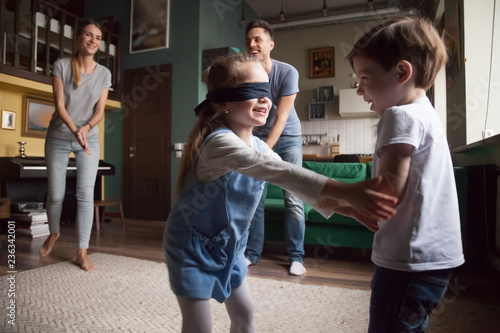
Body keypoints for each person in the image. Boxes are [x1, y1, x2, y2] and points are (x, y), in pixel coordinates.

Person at [163, 54, 398, 333]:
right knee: (199, 324)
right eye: (254, 92)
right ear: (223, 102)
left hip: (230, 247)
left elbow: (290, 179)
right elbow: (279, 173)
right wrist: (347, 190)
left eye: (267, 93)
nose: (266, 100)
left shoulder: (260, 146)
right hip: (192, 247)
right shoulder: (218, 144)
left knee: (244, 315)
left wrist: (347, 207)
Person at [345, 16, 464, 332]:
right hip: (436, 258)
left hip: (407, 260)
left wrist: (345, 199)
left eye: (365, 77)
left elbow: (387, 190)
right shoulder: (427, 113)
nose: (359, 89)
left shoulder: (399, 115)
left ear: (401, 72)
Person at [39, 20, 112, 272]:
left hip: (88, 138)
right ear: (79, 38)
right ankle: (54, 232)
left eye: (98, 37)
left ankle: (82, 251)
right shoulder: (61, 66)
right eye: (88, 35)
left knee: (84, 194)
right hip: (59, 136)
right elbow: (59, 105)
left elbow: (100, 110)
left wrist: (87, 128)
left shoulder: (104, 74)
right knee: (56, 194)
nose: (93, 40)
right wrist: (75, 130)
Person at [244, 19, 307, 276]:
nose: (252, 44)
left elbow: (281, 118)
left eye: (258, 39)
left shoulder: (287, 72)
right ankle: (252, 253)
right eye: (248, 40)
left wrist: (262, 152)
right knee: (255, 196)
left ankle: (296, 257)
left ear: (270, 44)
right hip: (259, 136)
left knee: (293, 197)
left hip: (288, 136)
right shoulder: (246, 74)